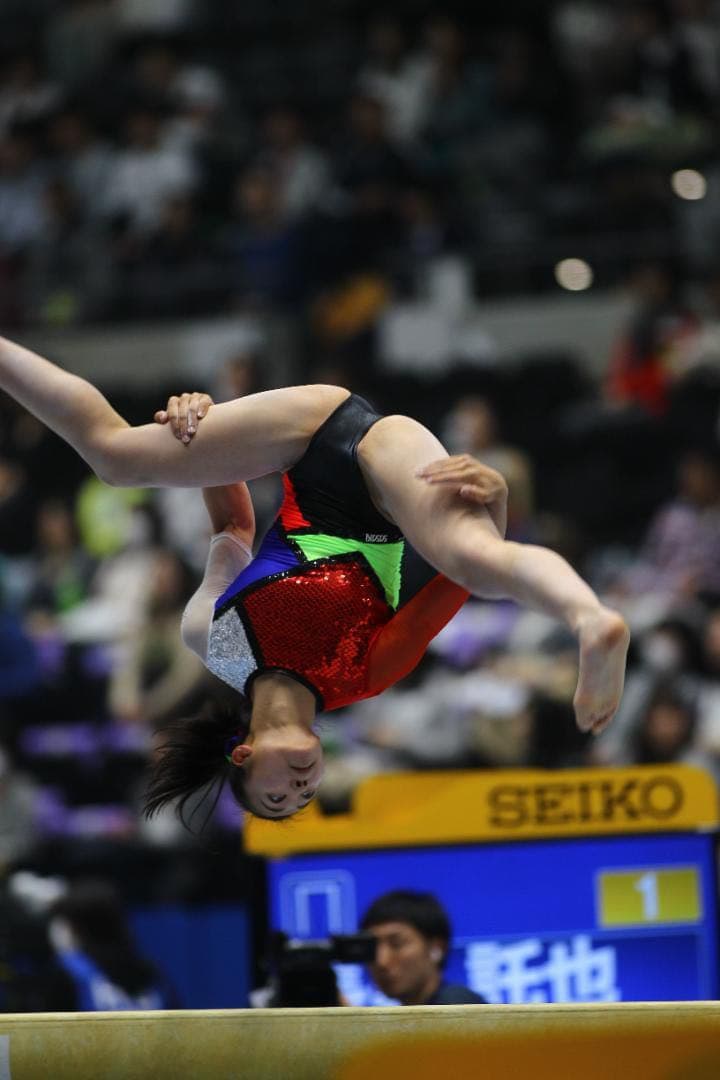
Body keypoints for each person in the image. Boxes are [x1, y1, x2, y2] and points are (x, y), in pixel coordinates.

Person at [0, 336, 629, 823]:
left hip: (308, 436)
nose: (303, 787)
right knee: (475, 556)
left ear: (242, 757)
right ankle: (590, 620)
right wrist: (496, 506)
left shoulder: (212, 639)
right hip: (387, 476)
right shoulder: (364, 678)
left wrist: (196, 420)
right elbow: (455, 582)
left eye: (280, 797)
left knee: (115, 457)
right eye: (307, 795)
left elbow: (233, 524)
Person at [360, 889, 484, 1005]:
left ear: (436, 948)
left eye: (397, 944)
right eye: (372, 947)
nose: (382, 961)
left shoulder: (458, 1006)